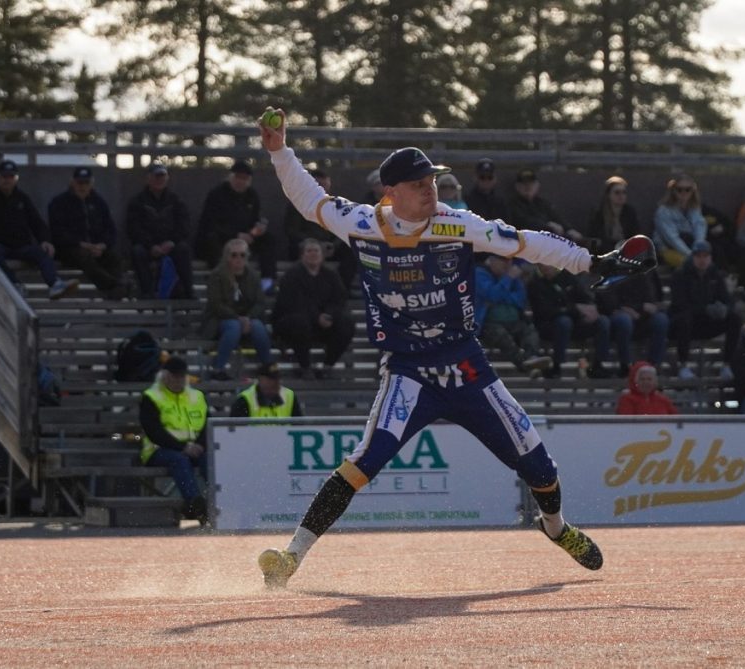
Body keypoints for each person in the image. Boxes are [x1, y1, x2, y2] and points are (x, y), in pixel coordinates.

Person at [256, 108, 629, 589]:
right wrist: (279, 150)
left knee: (538, 464)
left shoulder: (456, 223)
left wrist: (590, 262)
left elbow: (524, 242)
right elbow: (309, 200)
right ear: (390, 193)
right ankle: (290, 558)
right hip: (408, 369)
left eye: (432, 180)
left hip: (465, 364)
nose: (431, 189)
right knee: (365, 460)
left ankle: (556, 528)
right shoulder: (362, 222)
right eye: (418, 184)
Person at [0, 159, 80, 299]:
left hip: (21, 246)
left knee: (42, 252)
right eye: (4, 176)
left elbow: (36, 222)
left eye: (11, 177)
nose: (7, 180)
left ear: (16, 178)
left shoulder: (22, 198)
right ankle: (14, 284)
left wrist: (45, 240)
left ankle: (55, 284)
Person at [138, 356, 210, 526]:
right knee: (179, 459)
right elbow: (153, 431)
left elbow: (208, 424)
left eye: (180, 376)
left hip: (194, 448)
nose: (177, 379)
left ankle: (221, 504)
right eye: (174, 375)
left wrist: (199, 445)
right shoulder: (151, 397)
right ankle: (196, 505)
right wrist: (183, 447)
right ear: (164, 376)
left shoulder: (197, 396)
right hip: (158, 450)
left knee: (211, 461)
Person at [271, 238, 355, 379]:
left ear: (322, 255)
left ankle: (328, 366)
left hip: (321, 324)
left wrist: (328, 315)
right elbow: (291, 303)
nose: (313, 254)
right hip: (293, 323)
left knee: (346, 323)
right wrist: (316, 317)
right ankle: (305, 367)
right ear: (302, 255)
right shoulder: (292, 275)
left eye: (316, 251)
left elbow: (339, 299)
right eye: (309, 251)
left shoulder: (331, 275)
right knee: (299, 322)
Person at [196, 159, 277, 291]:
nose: (241, 182)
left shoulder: (252, 195)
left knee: (269, 240)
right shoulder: (217, 195)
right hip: (221, 238)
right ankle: (222, 280)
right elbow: (209, 224)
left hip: (246, 238)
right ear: (230, 177)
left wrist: (256, 230)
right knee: (212, 239)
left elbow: (255, 219)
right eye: (238, 178)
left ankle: (267, 281)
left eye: (245, 179)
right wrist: (236, 235)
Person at [48, 167, 127, 299]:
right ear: (73, 182)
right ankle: (116, 285)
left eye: (86, 183)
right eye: (80, 183)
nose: (83, 186)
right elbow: (58, 232)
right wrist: (82, 244)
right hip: (70, 250)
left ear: (92, 183)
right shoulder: (59, 203)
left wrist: (103, 245)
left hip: (96, 248)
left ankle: (116, 291)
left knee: (113, 258)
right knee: (84, 256)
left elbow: (111, 229)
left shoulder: (99, 202)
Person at [202, 238, 274, 381]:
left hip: (247, 319)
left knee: (259, 327)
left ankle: (268, 367)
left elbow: (260, 302)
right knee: (233, 327)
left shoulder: (253, 275)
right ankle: (218, 368)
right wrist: (237, 318)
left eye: (242, 255)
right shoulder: (217, 275)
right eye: (234, 255)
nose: (238, 259)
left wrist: (248, 317)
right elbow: (216, 304)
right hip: (220, 319)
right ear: (227, 256)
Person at [668, 240, 740, 380]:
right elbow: (680, 303)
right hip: (684, 323)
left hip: (707, 322)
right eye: (698, 256)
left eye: (705, 256)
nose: (702, 260)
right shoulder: (680, 275)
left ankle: (727, 365)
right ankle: (683, 365)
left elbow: (727, 299)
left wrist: (724, 309)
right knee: (684, 318)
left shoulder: (716, 275)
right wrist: (706, 309)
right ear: (693, 257)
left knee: (734, 319)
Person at [527, 264, 612, 379]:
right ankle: (556, 366)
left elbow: (584, 298)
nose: (546, 266)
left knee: (602, 321)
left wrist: (589, 309)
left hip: (575, 323)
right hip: (549, 325)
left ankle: (597, 365)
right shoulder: (535, 284)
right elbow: (545, 311)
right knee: (563, 322)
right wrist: (575, 309)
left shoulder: (568, 278)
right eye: (543, 264)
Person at [125, 163, 196, 299]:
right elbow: (133, 229)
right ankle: (146, 292)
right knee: (137, 252)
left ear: (167, 178)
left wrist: (171, 242)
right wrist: (151, 245)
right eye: (156, 176)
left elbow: (184, 226)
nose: (159, 180)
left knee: (183, 250)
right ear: (148, 178)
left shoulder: (176, 201)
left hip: (171, 245)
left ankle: (188, 292)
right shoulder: (137, 201)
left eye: (162, 176)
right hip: (147, 247)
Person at [475, 255, 552, 379]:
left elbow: (519, 299)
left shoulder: (514, 278)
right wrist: (507, 279)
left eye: (510, 261)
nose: (508, 264)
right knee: (500, 335)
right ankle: (525, 364)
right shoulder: (480, 274)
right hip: (487, 323)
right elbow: (492, 295)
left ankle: (532, 358)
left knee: (529, 331)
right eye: (503, 261)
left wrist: (502, 294)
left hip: (514, 320)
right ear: (492, 260)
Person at [285, 168, 356, 290]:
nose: (323, 189)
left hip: (329, 247)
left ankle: (343, 288)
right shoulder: (297, 203)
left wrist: (333, 245)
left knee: (351, 250)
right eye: (319, 185)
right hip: (304, 246)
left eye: (325, 185)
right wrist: (315, 244)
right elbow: (292, 231)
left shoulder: (335, 204)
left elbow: (343, 228)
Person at [596, 270, 669, 373]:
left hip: (643, 314)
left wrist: (643, 308)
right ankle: (626, 364)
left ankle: (653, 365)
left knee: (661, 320)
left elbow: (654, 297)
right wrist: (630, 308)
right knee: (624, 321)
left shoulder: (648, 271)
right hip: (619, 312)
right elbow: (609, 298)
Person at [507, 168, 582, 242]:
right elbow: (524, 221)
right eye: (524, 184)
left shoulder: (542, 203)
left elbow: (556, 218)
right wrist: (547, 225)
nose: (528, 187)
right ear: (517, 187)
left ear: (537, 185)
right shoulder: (512, 204)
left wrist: (569, 229)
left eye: (531, 183)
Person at [653, 174, 707, 269]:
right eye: (679, 189)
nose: (684, 192)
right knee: (691, 264)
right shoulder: (663, 211)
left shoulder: (694, 208)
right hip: (668, 248)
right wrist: (691, 255)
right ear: (673, 191)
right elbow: (671, 237)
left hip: (690, 244)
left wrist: (699, 249)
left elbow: (699, 226)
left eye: (688, 189)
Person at [586, 176, 640, 254]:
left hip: (626, 250)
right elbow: (594, 236)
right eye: (617, 192)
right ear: (608, 194)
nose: (621, 195)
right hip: (604, 252)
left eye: (624, 192)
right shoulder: (598, 212)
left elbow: (635, 233)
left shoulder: (629, 212)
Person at [230, 362, 304, 418]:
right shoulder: (244, 400)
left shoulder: (290, 396)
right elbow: (236, 432)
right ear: (260, 379)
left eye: (278, 378)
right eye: (271, 379)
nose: (276, 382)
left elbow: (298, 427)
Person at [464, 158, 509, 223]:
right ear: (475, 177)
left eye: (490, 177)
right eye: (482, 177)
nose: (486, 180)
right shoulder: (467, 200)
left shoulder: (501, 202)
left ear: (495, 178)